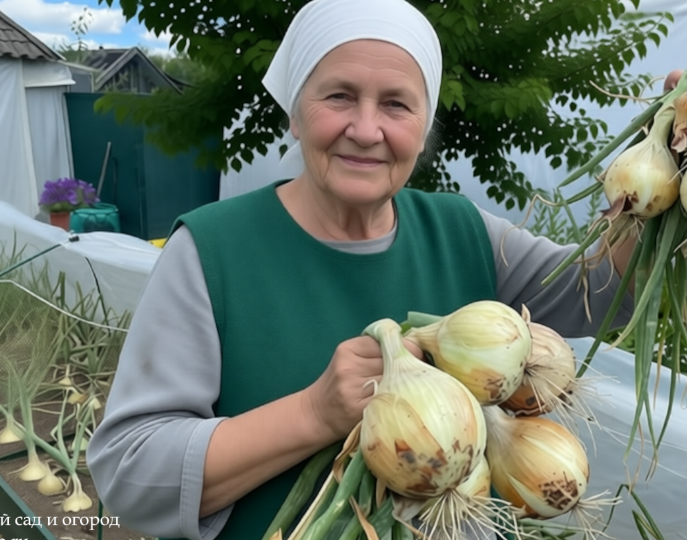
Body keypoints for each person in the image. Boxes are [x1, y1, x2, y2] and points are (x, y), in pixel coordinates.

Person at [86, 0, 644, 538]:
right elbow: (131, 477)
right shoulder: (211, 251)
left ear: (423, 129)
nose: (366, 129)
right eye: (339, 96)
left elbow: (606, 291)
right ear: (295, 114)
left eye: (397, 105)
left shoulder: (461, 230)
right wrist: (314, 412)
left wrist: (665, 161)